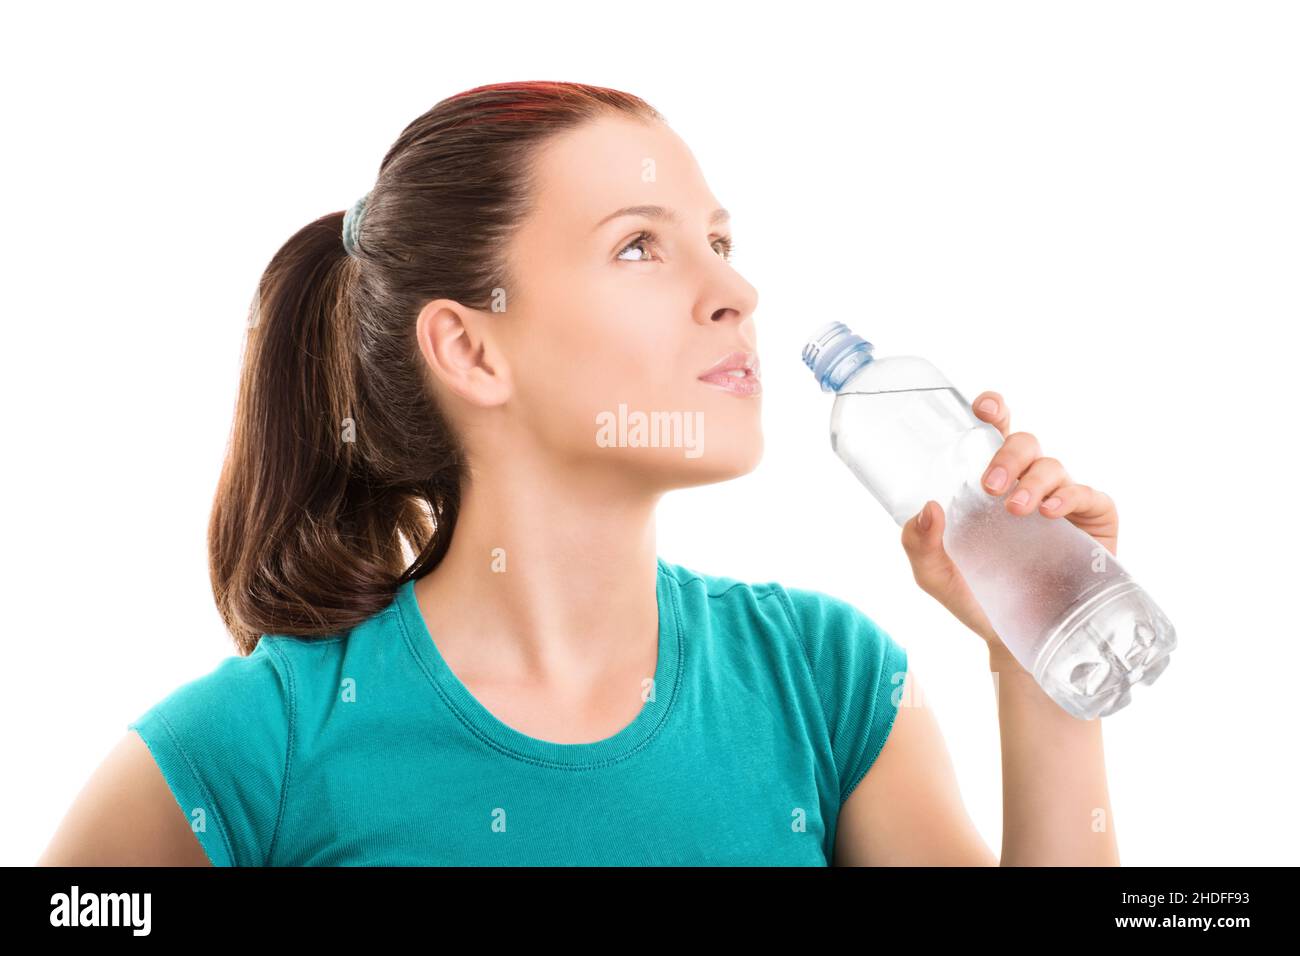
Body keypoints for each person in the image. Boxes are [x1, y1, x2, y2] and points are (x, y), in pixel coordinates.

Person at [38, 81, 1121, 866]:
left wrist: (1040, 656)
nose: (734, 288)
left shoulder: (824, 682)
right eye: (641, 247)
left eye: (719, 238)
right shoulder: (257, 745)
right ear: (471, 347)